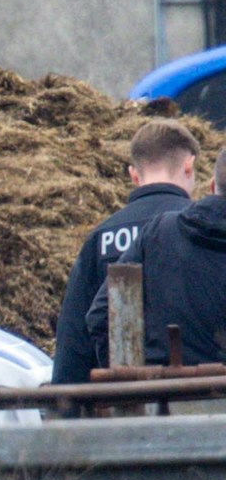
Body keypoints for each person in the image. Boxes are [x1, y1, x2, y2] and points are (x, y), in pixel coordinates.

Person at [51, 119, 199, 383]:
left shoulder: (100, 238)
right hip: (205, 392)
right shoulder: (202, 229)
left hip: (126, 398)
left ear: (133, 174)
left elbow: (74, 341)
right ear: (189, 165)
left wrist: (68, 412)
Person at [87, 143, 226, 370]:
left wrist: (133, 382)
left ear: (212, 186)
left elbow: (101, 316)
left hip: (162, 397)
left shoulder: (158, 233)